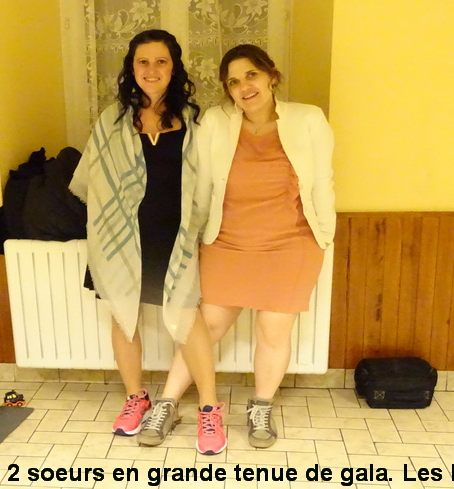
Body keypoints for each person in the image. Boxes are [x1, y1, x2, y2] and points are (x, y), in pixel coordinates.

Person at [138, 44, 335, 449]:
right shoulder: (216, 121)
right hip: (227, 240)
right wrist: (192, 238)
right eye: (233, 82)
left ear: (271, 76)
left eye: (251, 75)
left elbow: (322, 182)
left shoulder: (308, 119)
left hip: (292, 242)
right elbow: (201, 186)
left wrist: (325, 235)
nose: (244, 87)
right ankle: (167, 403)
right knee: (205, 326)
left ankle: (261, 407)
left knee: (273, 329)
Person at [69, 30, 226, 455]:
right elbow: (93, 181)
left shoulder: (195, 121)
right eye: (143, 61)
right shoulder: (111, 121)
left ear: (174, 68)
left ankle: (210, 408)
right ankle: (135, 397)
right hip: (119, 236)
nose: (151, 70)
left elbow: (211, 181)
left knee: (187, 319)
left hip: (177, 236)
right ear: (131, 68)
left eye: (161, 61)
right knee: (124, 317)